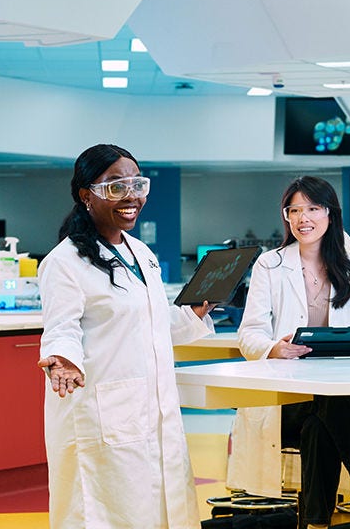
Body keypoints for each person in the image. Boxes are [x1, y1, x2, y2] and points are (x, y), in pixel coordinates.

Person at [37, 144, 215, 529]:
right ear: (87, 195)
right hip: (101, 415)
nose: (131, 195)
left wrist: (196, 311)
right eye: (115, 186)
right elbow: (61, 327)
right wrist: (62, 358)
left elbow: (153, 324)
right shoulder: (64, 262)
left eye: (137, 184)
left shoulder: (140, 252)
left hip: (151, 410)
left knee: (159, 509)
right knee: (107, 511)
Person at [231, 176, 350, 529]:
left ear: (330, 214)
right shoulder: (270, 264)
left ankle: (315, 524)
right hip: (284, 400)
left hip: (330, 397)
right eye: (294, 210)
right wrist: (273, 349)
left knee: (319, 424)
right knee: (326, 402)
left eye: (312, 209)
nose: (302, 218)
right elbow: (248, 334)